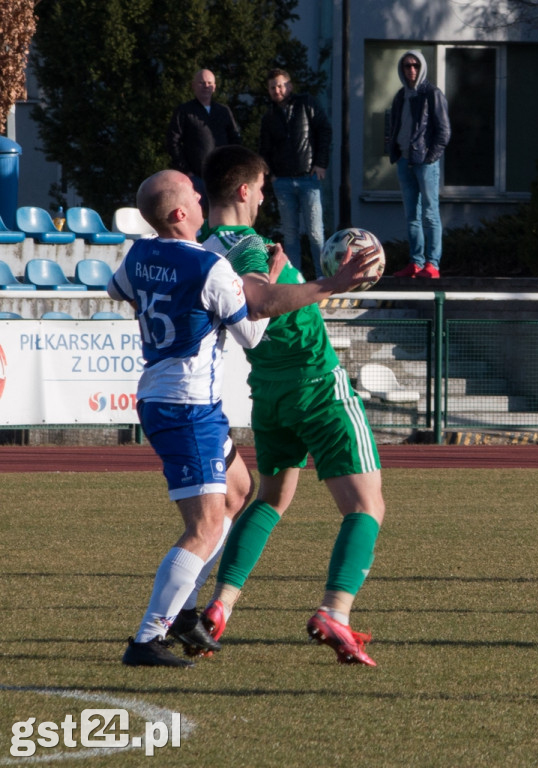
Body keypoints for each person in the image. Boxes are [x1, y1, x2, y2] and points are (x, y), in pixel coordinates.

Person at [109, 169, 381, 668]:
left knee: (240, 490)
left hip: (176, 398)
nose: (199, 192)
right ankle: (148, 638)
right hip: (187, 404)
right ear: (179, 214)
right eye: (192, 192)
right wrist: (319, 282)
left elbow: (116, 289)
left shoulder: (139, 253)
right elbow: (255, 322)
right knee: (206, 526)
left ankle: (189, 611)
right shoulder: (209, 267)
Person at [189, 145, 386, 667]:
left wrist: (283, 278)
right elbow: (260, 299)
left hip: (269, 393)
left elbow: (250, 304)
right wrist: (330, 284)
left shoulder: (206, 248)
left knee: (272, 500)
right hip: (316, 382)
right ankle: (335, 612)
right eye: (261, 186)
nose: (263, 198)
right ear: (243, 191)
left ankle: (219, 607)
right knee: (367, 506)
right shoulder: (248, 245)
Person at [259, 68, 332, 279]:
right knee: (290, 236)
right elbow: (264, 148)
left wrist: (320, 163)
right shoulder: (269, 116)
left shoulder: (306, 103)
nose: (277, 90)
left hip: (308, 177)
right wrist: (271, 174)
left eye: (281, 85)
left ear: (289, 86)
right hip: (282, 181)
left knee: (316, 233)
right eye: (272, 87)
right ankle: (295, 280)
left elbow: (324, 130)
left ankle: (323, 278)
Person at [389, 50, 451, 279]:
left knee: (430, 213)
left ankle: (432, 265)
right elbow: (394, 125)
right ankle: (416, 263)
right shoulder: (399, 96)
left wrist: (429, 158)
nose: (411, 70)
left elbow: (444, 132)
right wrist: (393, 149)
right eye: (407, 65)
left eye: (415, 65)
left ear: (421, 67)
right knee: (411, 216)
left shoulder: (432, 93)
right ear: (402, 69)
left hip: (424, 162)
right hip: (404, 161)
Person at [166, 68, 241, 211]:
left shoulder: (223, 111)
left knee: (220, 215)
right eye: (201, 83)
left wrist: (232, 167)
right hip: (195, 178)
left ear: (215, 86)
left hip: (221, 177)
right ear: (193, 85)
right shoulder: (184, 111)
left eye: (209, 83)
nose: (206, 86)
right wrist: (186, 170)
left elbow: (235, 140)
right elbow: (172, 141)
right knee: (196, 217)